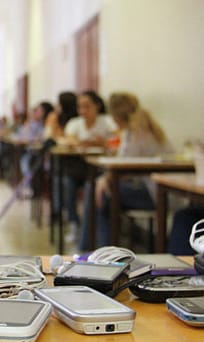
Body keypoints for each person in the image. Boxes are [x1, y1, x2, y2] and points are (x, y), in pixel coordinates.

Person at [78, 92, 173, 250]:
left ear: (115, 116)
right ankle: (99, 248)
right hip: (155, 189)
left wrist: (103, 181)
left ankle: (93, 248)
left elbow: (123, 166)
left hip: (156, 194)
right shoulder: (142, 126)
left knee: (95, 190)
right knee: (100, 193)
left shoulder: (138, 131)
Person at [63, 90, 118, 243]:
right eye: (80, 107)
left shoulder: (107, 121)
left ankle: (85, 240)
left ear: (97, 106)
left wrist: (98, 143)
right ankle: (74, 223)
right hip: (78, 168)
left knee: (91, 189)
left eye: (87, 107)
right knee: (68, 185)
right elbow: (70, 139)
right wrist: (94, 142)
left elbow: (117, 139)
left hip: (101, 169)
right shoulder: (75, 123)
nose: (83, 111)